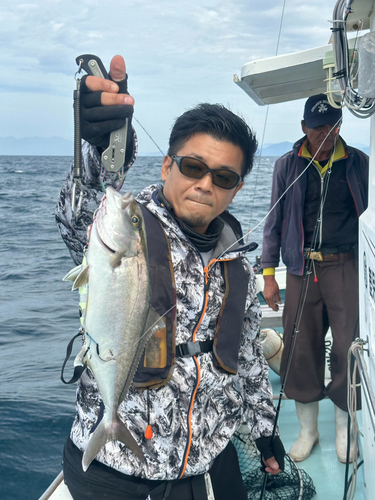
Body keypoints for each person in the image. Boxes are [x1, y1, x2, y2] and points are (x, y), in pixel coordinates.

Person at [56, 55, 285, 500]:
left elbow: (249, 353)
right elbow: (77, 215)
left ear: (236, 188)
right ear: (167, 166)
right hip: (113, 470)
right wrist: (98, 147)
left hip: (209, 465)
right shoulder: (128, 227)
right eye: (193, 167)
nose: (205, 184)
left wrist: (262, 430)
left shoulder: (237, 255)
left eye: (223, 177)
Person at [261, 94, 368, 463]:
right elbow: (273, 225)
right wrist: (269, 275)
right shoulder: (287, 166)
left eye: (333, 126)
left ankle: (344, 428)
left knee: (347, 348)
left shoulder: (360, 163)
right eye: (319, 127)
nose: (326, 134)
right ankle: (309, 431)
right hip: (301, 269)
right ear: (304, 127)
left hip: (345, 267)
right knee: (301, 349)